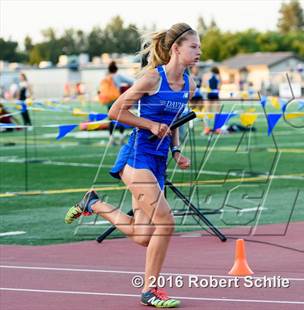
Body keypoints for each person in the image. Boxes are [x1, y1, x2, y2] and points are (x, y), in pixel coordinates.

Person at [64, 23, 200, 308]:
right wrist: (149, 123)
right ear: (176, 49)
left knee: (143, 235)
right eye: (194, 46)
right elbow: (115, 111)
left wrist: (176, 150)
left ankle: (94, 203)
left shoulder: (189, 84)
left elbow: (173, 122)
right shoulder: (152, 79)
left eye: (199, 47)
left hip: (159, 160)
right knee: (166, 222)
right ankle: (150, 290)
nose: (199, 52)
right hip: (137, 155)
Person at [100, 61, 135, 145]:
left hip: (108, 100)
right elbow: (132, 81)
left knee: (111, 119)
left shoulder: (105, 78)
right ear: (116, 69)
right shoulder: (118, 76)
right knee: (121, 117)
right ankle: (121, 137)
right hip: (116, 99)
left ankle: (111, 138)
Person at [203, 66, 221, 134]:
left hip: (209, 95)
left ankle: (207, 128)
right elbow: (219, 87)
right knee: (217, 113)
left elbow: (203, 85)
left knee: (208, 113)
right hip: (214, 95)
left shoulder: (206, 76)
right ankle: (217, 128)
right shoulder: (218, 76)